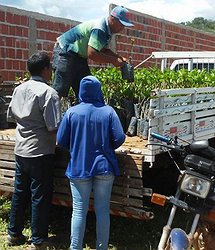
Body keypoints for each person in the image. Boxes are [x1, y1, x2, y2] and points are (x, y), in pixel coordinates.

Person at [56, 75, 126, 250]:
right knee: (102, 211)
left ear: (81, 91)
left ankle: (75, 247)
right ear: (98, 91)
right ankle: (101, 248)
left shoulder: (72, 112)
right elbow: (119, 137)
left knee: (79, 211)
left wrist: (76, 145)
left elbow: (61, 140)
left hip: (79, 167)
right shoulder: (109, 111)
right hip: (104, 167)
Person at [6, 52, 61, 250]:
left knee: (20, 192)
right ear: (46, 69)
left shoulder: (19, 89)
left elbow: (11, 116)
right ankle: (38, 240)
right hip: (40, 151)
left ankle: (13, 234)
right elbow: (53, 126)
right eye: (50, 68)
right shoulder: (48, 93)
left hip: (21, 149)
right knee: (40, 195)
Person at [52, 5, 134, 98]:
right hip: (65, 51)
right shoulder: (100, 28)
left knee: (87, 90)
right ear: (112, 18)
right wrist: (114, 60)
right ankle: (51, 112)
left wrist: (118, 57)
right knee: (59, 90)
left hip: (79, 56)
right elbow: (92, 54)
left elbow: (102, 50)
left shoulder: (108, 30)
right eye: (121, 24)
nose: (122, 28)